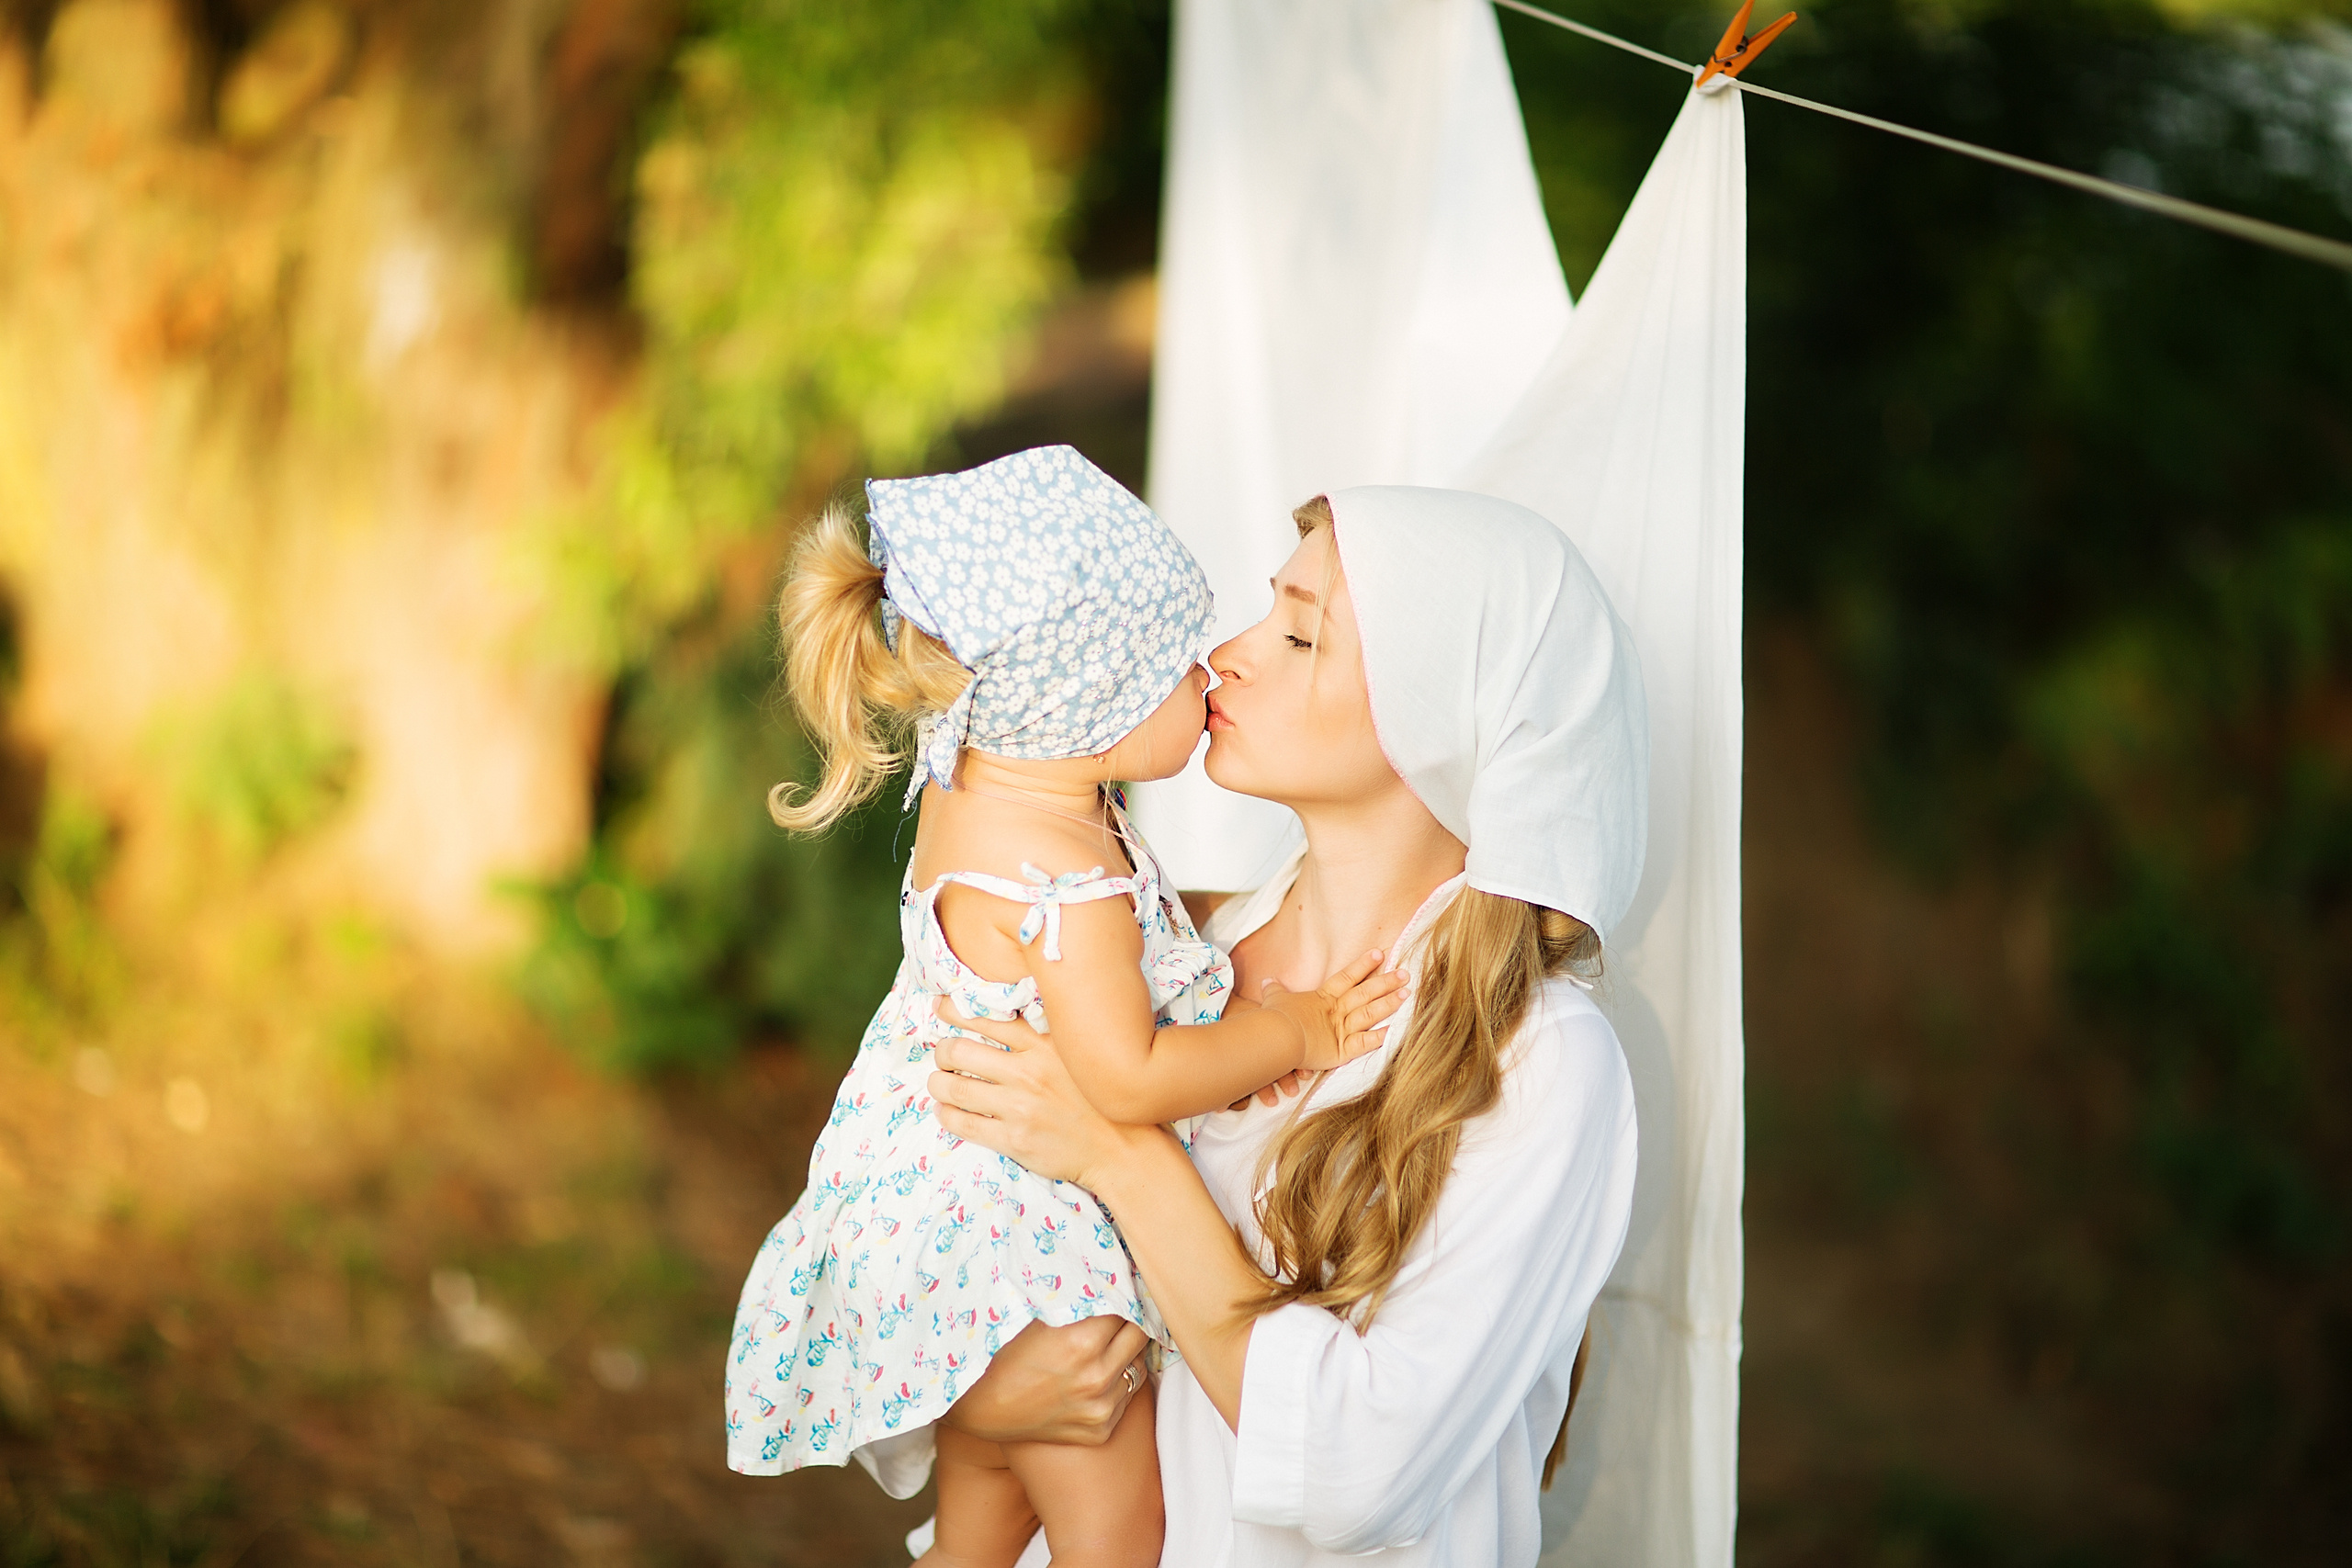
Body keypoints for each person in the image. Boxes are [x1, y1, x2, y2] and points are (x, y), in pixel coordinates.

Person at [925, 486, 1648, 1566]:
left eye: (1300, 633)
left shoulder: (1541, 1064)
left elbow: (1355, 1475)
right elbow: (931, 1220)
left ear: (1443, 717)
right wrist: (984, 1413)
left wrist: (1120, 1150)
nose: (1229, 653)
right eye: (1268, 611)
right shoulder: (1167, 954)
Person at [724, 447, 1405, 1568]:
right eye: (1176, 669)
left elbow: (1132, 945)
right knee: (1116, 1541)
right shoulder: (1065, 883)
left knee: (977, 1541)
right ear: (1095, 704)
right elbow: (1124, 1078)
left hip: (940, 1244)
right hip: (1027, 1276)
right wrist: (1301, 1029)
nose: (1209, 678)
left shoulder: (978, 785)